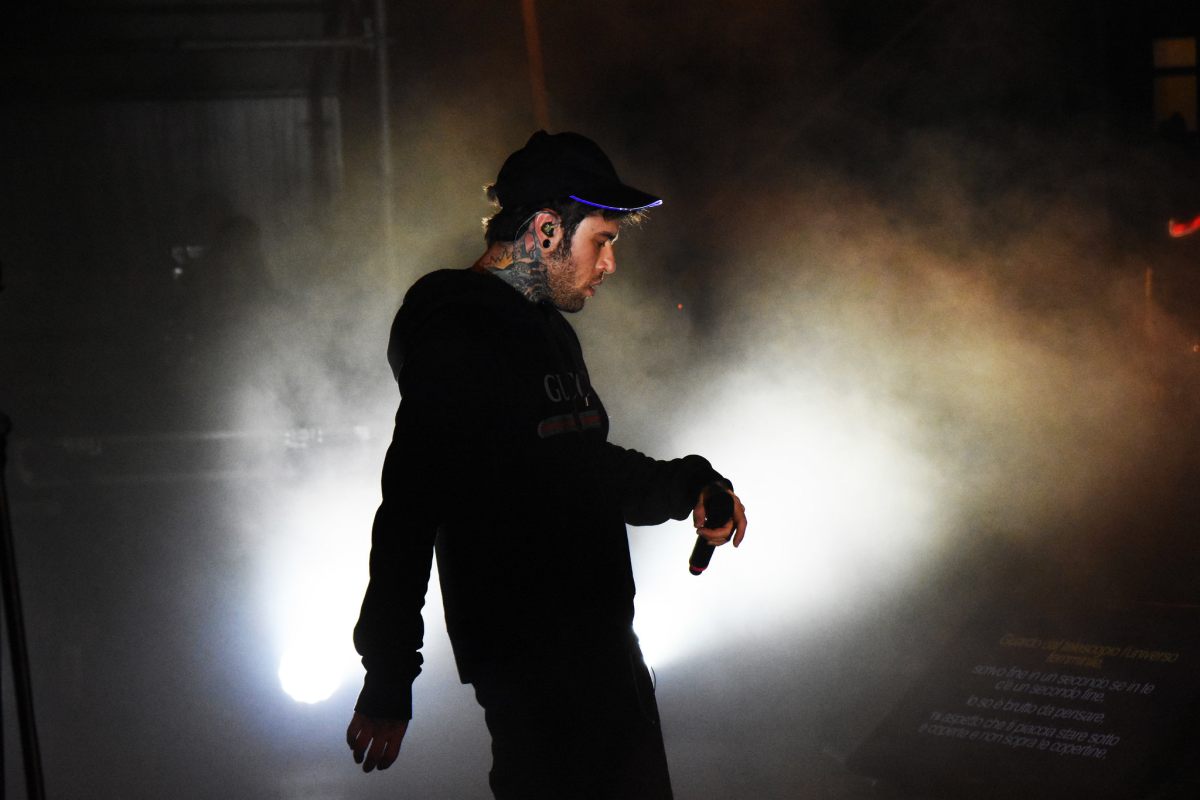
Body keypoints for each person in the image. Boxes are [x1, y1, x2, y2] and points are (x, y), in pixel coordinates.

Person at [345, 130, 747, 799]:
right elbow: (409, 509)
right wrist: (388, 677)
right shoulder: (456, 334)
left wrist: (693, 484)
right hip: (536, 678)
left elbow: (584, 469)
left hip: (604, 657)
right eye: (603, 240)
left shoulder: (550, 331)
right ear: (547, 229)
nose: (610, 264)